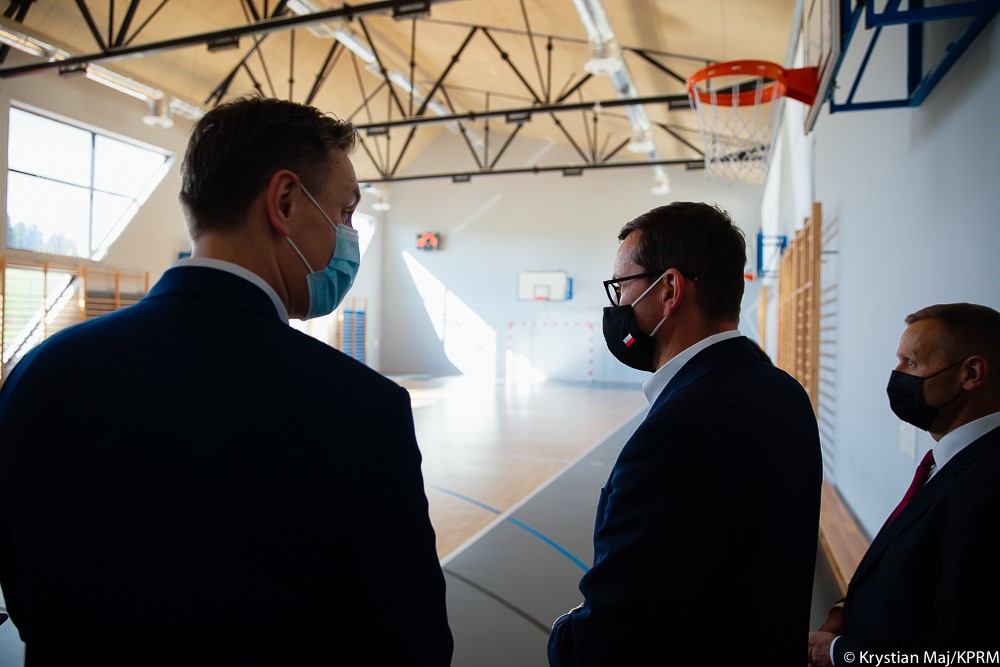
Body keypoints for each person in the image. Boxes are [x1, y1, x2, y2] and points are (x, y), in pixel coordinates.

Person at [0, 95, 453, 666]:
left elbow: (22, 597)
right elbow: (413, 645)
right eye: (345, 212)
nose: (348, 235)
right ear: (285, 201)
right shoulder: (362, 410)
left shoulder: (39, 374)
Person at [547, 202, 823, 665]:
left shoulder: (673, 434)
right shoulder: (786, 394)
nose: (616, 305)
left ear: (669, 290)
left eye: (621, 287)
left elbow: (611, 638)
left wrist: (564, 633)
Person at [808, 303, 1000, 666]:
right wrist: (844, 613)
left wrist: (838, 653)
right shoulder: (950, 461)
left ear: (971, 373)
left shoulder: (987, 490)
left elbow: (968, 652)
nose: (896, 376)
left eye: (911, 363)